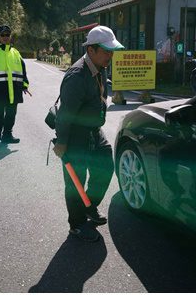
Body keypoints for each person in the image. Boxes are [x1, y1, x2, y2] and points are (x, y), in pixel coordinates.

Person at [53, 26, 124, 242]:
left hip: (93, 130)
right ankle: (77, 225)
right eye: (106, 51)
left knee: (105, 165)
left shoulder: (99, 67)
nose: (110, 56)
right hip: (75, 134)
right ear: (91, 50)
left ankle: (89, 207)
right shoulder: (76, 75)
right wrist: (62, 143)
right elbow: (65, 113)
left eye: (112, 52)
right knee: (75, 182)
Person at [0, 25, 30, 149]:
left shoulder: (16, 53)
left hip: (14, 91)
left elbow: (23, 71)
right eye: (2, 35)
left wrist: (24, 85)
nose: (5, 37)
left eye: (7, 35)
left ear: (10, 36)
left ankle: (7, 135)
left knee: (11, 114)